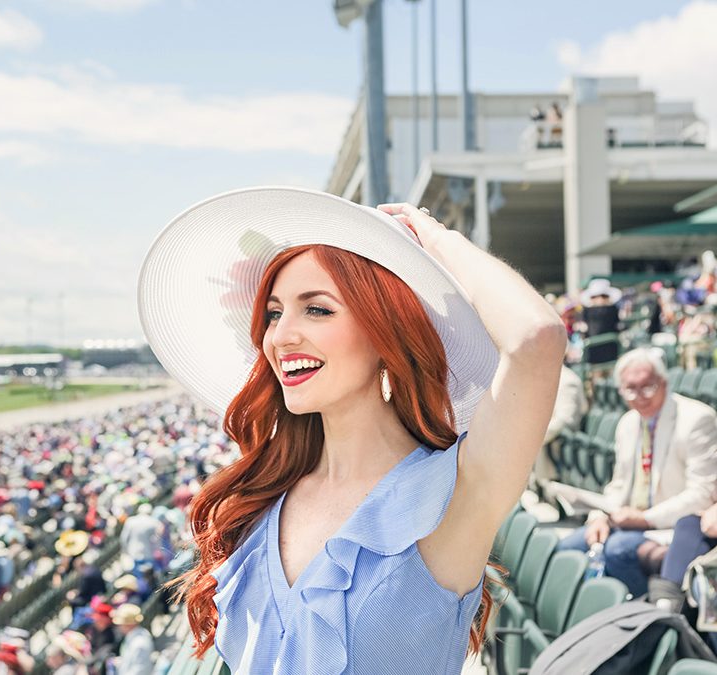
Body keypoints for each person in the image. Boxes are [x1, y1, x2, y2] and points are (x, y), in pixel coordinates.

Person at [138, 187, 566, 673]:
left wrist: (433, 239)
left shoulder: (452, 493)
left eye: (317, 309)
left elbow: (536, 339)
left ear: (387, 333)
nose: (281, 335)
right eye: (274, 313)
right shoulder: (262, 501)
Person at [557, 348, 717, 595]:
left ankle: (649, 616)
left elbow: (702, 493)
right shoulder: (628, 422)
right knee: (565, 550)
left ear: (663, 383)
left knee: (618, 550)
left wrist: (646, 519)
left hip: (669, 525)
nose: (639, 396)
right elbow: (618, 485)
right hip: (629, 520)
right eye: (630, 389)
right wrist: (599, 515)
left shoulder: (696, 420)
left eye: (647, 387)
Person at [111, 604, 153, 675]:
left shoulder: (140, 642)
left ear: (128, 624)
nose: (118, 626)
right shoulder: (133, 637)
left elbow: (141, 670)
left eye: (120, 624)